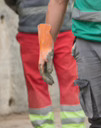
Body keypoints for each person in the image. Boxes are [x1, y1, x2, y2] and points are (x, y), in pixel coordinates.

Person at [4, 0, 85, 128]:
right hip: (58, 27)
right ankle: (72, 125)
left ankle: (46, 125)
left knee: (38, 82)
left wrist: (23, 8)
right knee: (70, 80)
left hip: (35, 27)